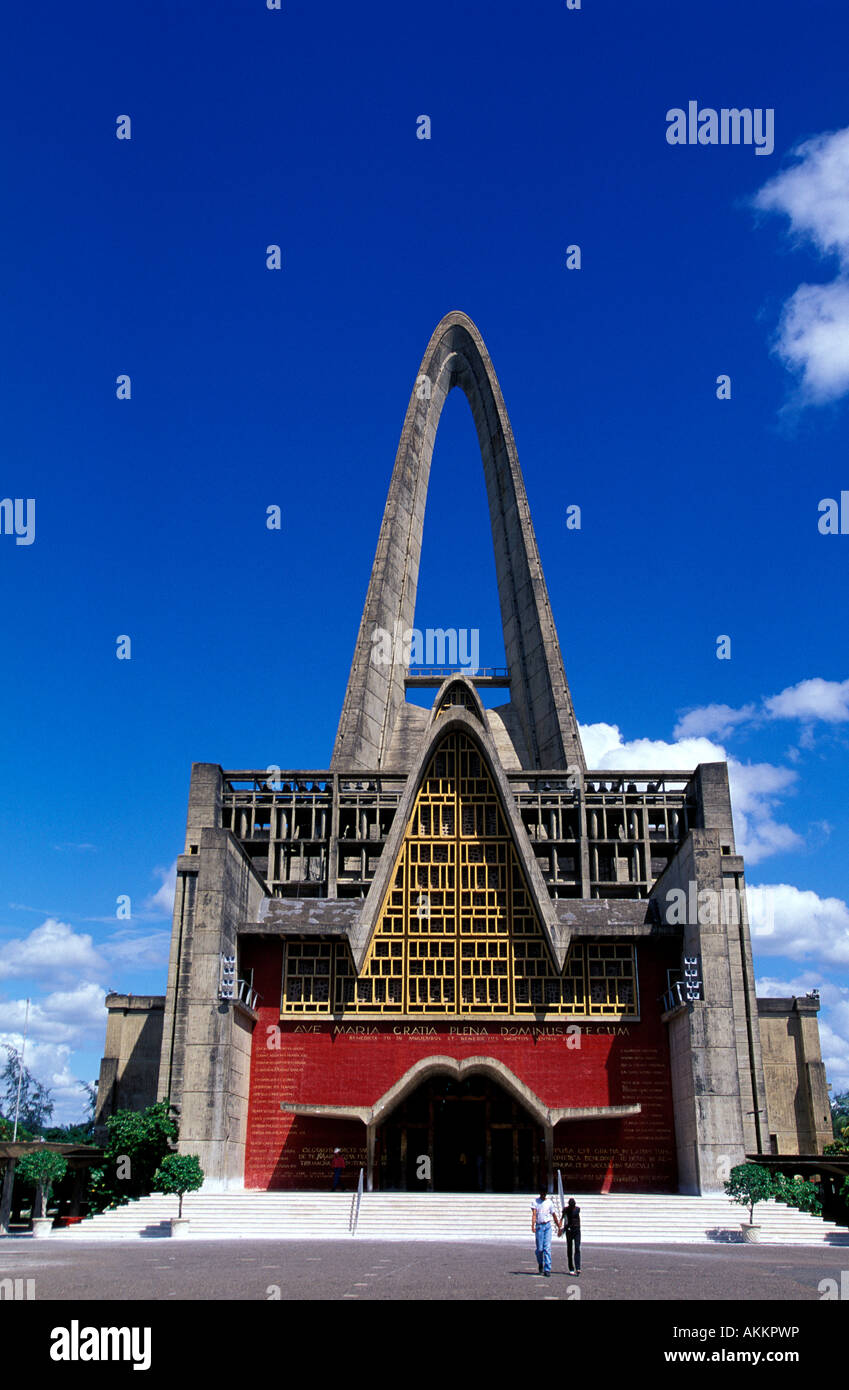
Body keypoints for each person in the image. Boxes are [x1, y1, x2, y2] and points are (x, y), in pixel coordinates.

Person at [531, 1190, 562, 1277]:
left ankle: (547, 1268)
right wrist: (532, 1225)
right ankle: (540, 1263)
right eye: (542, 1193)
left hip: (547, 1226)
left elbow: (554, 1214)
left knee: (547, 1248)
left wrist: (558, 1225)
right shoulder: (535, 1202)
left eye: (545, 1193)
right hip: (539, 1226)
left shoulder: (549, 1202)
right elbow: (534, 1214)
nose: (543, 1195)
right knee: (540, 1249)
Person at [563, 1197, 581, 1275]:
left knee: (577, 1248)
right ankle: (571, 1267)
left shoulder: (577, 1210)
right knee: (569, 1249)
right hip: (569, 1230)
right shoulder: (566, 1210)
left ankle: (578, 1267)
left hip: (576, 1230)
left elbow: (573, 1215)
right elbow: (563, 1218)